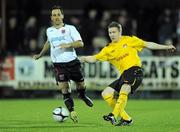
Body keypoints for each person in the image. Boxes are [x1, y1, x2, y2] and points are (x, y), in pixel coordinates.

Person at [79, 21, 176, 126]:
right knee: (106, 93)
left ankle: (113, 115)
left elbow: (148, 44)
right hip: (124, 75)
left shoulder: (130, 40)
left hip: (135, 71)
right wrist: (83, 58)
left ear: (120, 31)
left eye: (114, 32)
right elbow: (94, 58)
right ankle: (126, 119)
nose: (111, 35)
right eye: (110, 32)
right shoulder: (108, 49)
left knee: (124, 88)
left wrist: (166, 47)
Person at [33, 5, 93, 123]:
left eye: (58, 14)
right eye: (54, 15)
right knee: (64, 88)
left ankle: (82, 95)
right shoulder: (49, 30)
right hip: (58, 64)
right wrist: (40, 54)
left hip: (72, 62)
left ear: (63, 16)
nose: (56, 17)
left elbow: (80, 43)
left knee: (81, 84)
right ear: (51, 17)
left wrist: (68, 45)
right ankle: (72, 111)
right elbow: (48, 42)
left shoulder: (71, 28)